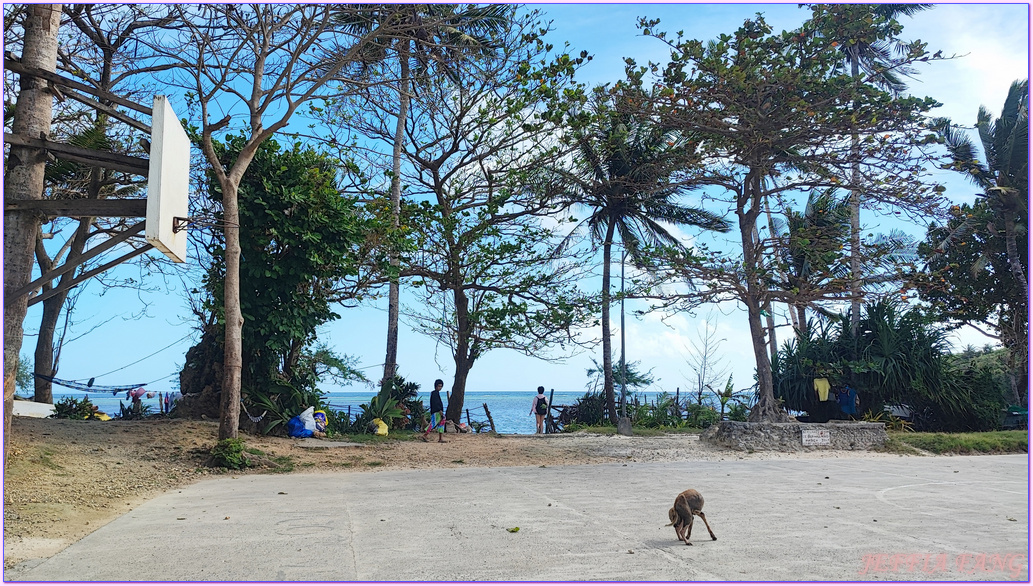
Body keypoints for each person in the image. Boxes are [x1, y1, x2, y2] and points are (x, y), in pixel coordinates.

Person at [423, 379, 447, 443]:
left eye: (441, 386)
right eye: (439, 386)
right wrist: (439, 410)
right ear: (436, 386)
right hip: (436, 412)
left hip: (438, 411)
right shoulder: (434, 393)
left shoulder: (436, 393)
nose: (440, 388)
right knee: (433, 424)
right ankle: (425, 435)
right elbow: (435, 403)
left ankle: (440, 438)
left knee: (441, 423)